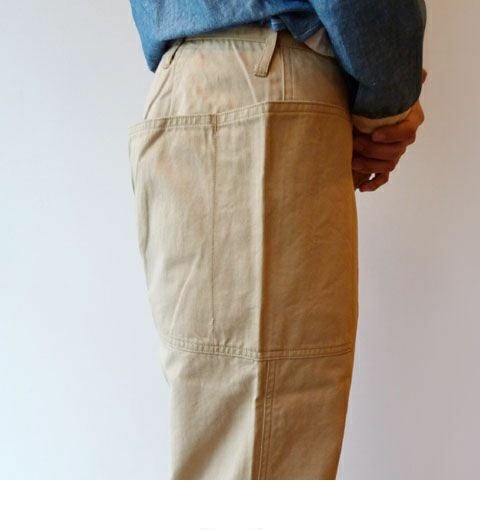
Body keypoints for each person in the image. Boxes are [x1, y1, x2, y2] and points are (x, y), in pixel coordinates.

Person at [127, 1, 427, 479]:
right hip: (263, 93)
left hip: (192, 87)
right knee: (268, 463)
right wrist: (389, 104)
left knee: (231, 450)